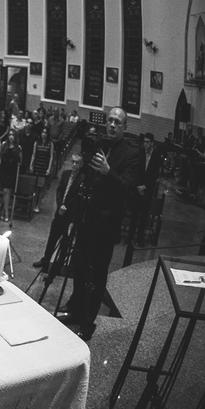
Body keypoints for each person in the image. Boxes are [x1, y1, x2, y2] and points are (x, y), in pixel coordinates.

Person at [57, 108, 139, 341]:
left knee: (96, 274)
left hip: (106, 225)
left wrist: (108, 171)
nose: (112, 125)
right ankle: (74, 310)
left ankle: (87, 321)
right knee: (80, 267)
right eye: (110, 120)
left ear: (125, 127)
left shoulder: (131, 153)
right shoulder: (99, 145)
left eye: (117, 122)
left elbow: (127, 187)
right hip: (86, 217)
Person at [131, 132, 163, 243]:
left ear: (152, 143)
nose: (145, 144)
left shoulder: (156, 155)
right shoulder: (140, 152)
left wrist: (145, 187)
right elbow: (136, 170)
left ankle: (140, 239)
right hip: (137, 187)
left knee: (144, 215)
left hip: (147, 189)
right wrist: (138, 186)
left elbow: (155, 175)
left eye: (147, 142)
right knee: (134, 213)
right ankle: (130, 237)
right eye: (144, 142)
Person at [0, 133, 21, 223]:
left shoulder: (18, 148)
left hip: (12, 171)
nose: (11, 137)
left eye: (13, 135)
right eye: (10, 135)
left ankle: (4, 210)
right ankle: (6, 212)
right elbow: (0, 157)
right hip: (4, 170)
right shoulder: (4, 145)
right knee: (5, 190)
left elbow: (20, 161)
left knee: (9, 191)